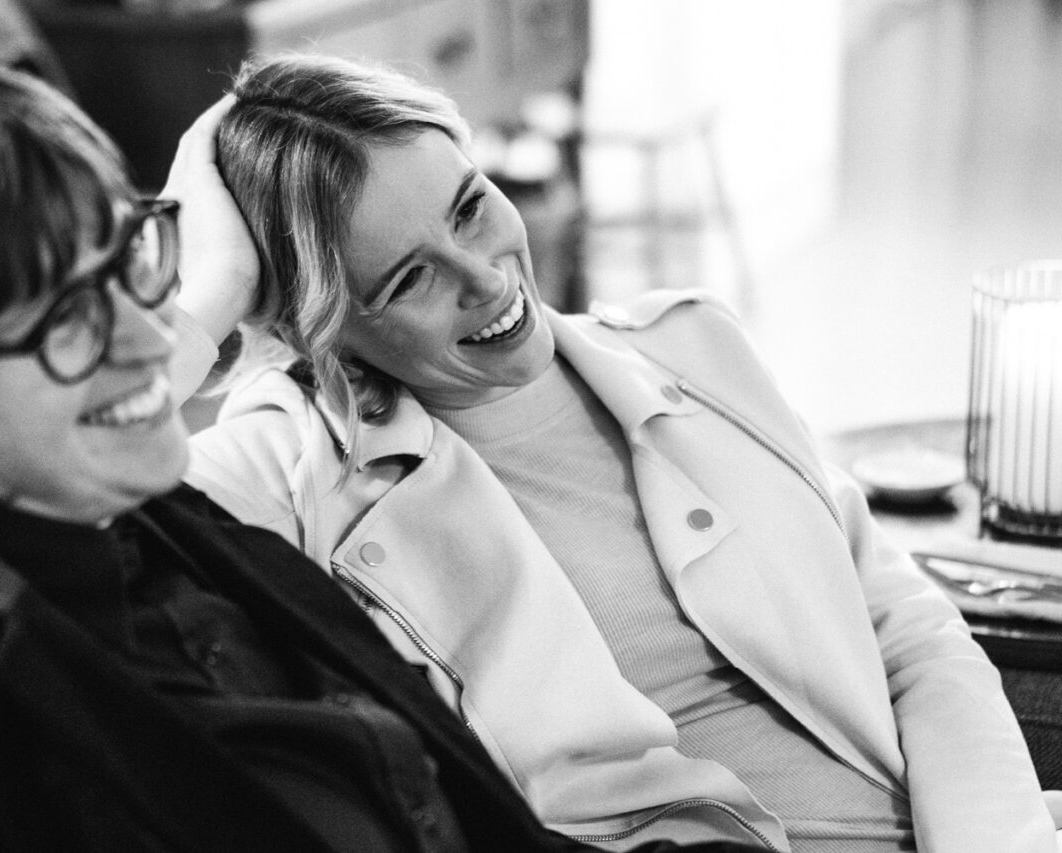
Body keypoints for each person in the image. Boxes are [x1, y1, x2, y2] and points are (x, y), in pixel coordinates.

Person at [0, 45, 764, 853]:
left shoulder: (148, 518)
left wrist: (207, 280)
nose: (143, 334)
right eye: (63, 319)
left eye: (128, 258)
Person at [182, 53, 1059, 852]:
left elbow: (911, 634)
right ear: (323, 326)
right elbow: (60, 523)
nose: (485, 278)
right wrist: (208, 295)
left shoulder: (692, 347)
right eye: (410, 278)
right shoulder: (294, 475)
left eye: (471, 205)